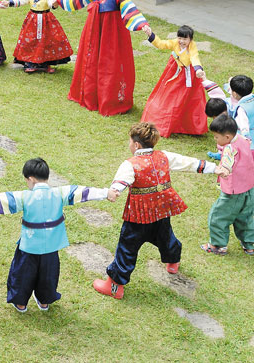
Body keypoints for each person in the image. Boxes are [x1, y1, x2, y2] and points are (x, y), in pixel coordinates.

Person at [93, 122, 219, 299]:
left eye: (130, 141)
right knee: (165, 235)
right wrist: (215, 168)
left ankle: (114, 286)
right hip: (160, 210)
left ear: (136, 144)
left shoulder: (130, 164)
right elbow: (188, 163)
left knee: (127, 248)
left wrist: (114, 191)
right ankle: (173, 261)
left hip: (138, 216)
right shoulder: (164, 156)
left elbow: (122, 181)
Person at [0, 158, 115, 312]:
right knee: (48, 275)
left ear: (30, 179)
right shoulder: (60, 193)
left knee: (22, 274)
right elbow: (82, 192)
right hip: (52, 245)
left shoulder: (24, 196)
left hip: (29, 246)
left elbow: (0, 200)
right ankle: (44, 302)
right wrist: (105, 192)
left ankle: (21, 303)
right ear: (46, 177)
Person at [54, 0, 150, 115]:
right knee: (91, 60)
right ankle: (90, 95)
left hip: (112, 34)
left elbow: (131, 11)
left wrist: (142, 25)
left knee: (109, 63)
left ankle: (109, 99)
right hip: (93, 31)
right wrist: (58, 1)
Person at [201, 115, 254, 256]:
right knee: (245, 217)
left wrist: (223, 170)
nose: (215, 139)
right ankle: (248, 244)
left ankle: (217, 245)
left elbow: (227, 162)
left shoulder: (229, 149)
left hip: (233, 191)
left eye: (216, 137)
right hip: (248, 187)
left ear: (227, 137)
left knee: (219, 215)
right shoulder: (243, 139)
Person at [140, 25, 207, 137]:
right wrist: (150, 34)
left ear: (190, 39)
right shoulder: (175, 43)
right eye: (180, 38)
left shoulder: (192, 46)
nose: (181, 41)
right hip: (175, 72)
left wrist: (198, 69)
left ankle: (188, 125)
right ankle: (164, 122)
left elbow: (195, 57)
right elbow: (161, 44)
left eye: (185, 39)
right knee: (170, 96)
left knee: (189, 99)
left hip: (189, 75)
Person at [1, 0, 72, 73]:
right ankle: (30, 63)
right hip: (32, 23)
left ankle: (45, 64)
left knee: (47, 42)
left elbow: (52, 4)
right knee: (30, 41)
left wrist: (55, 3)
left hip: (46, 23)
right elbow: (21, 0)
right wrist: (9, 2)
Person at [203, 75, 254, 166]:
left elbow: (243, 124)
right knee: (253, 153)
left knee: (244, 155)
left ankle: (243, 168)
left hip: (248, 137)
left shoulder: (241, 109)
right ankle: (224, 155)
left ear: (235, 94)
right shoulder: (252, 97)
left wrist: (245, 135)